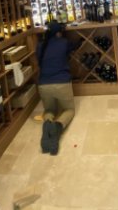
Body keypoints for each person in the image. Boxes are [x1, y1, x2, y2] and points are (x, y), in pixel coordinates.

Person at [36, 20, 76, 156]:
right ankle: (58, 126)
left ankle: (48, 122)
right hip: (62, 83)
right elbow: (74, 46)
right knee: (69, 110)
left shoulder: (40, 45)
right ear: (59, 33)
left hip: (43, 85)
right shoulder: (64, 42)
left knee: (49, 110)